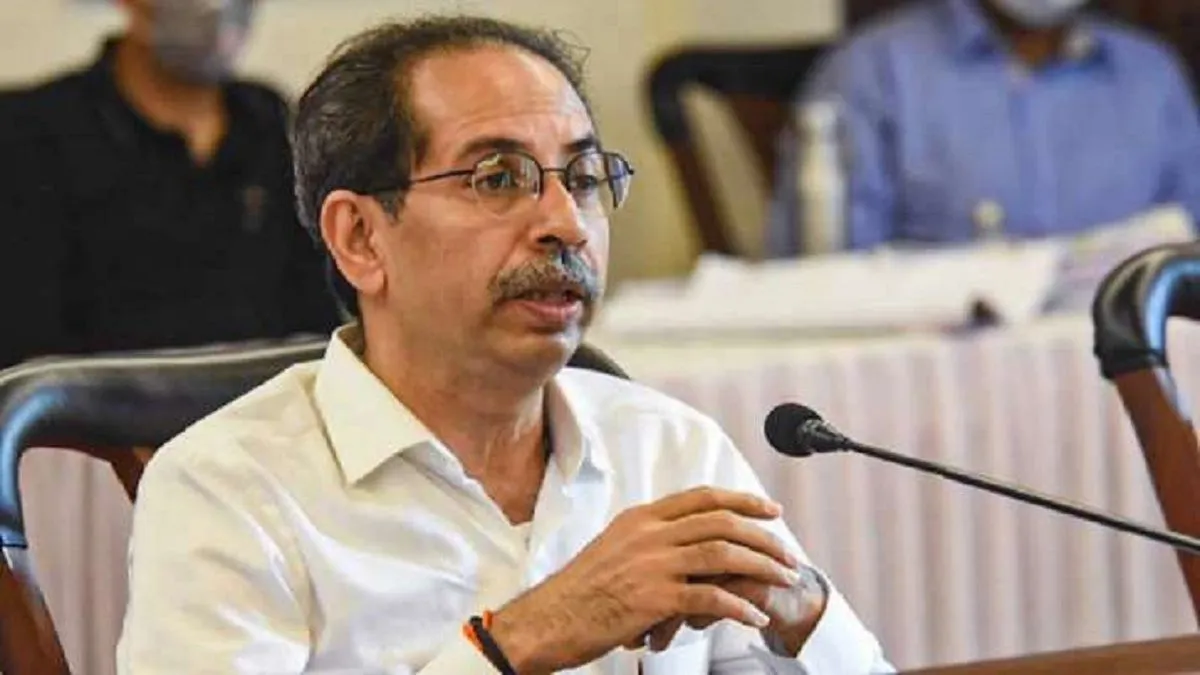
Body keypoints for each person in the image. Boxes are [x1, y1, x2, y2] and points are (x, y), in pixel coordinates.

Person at [116, 15, 893, 674]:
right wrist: (518, 640)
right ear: (360, 238)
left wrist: (805, 612)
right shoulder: (229, 488)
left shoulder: (668, 448)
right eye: (497, 178)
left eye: (582, 177)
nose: (565, 222)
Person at [0, 0, 339, 368]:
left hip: (264, 399)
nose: (218, 7)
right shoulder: (31, 134)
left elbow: (315, 325)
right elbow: (27, 345)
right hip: (93, 400)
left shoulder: (272, 125)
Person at [765, 0, 1200, 256]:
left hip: (1121, 369)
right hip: (933, 371)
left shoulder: (1152, 74)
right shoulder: (870, 72)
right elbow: (826, 279)